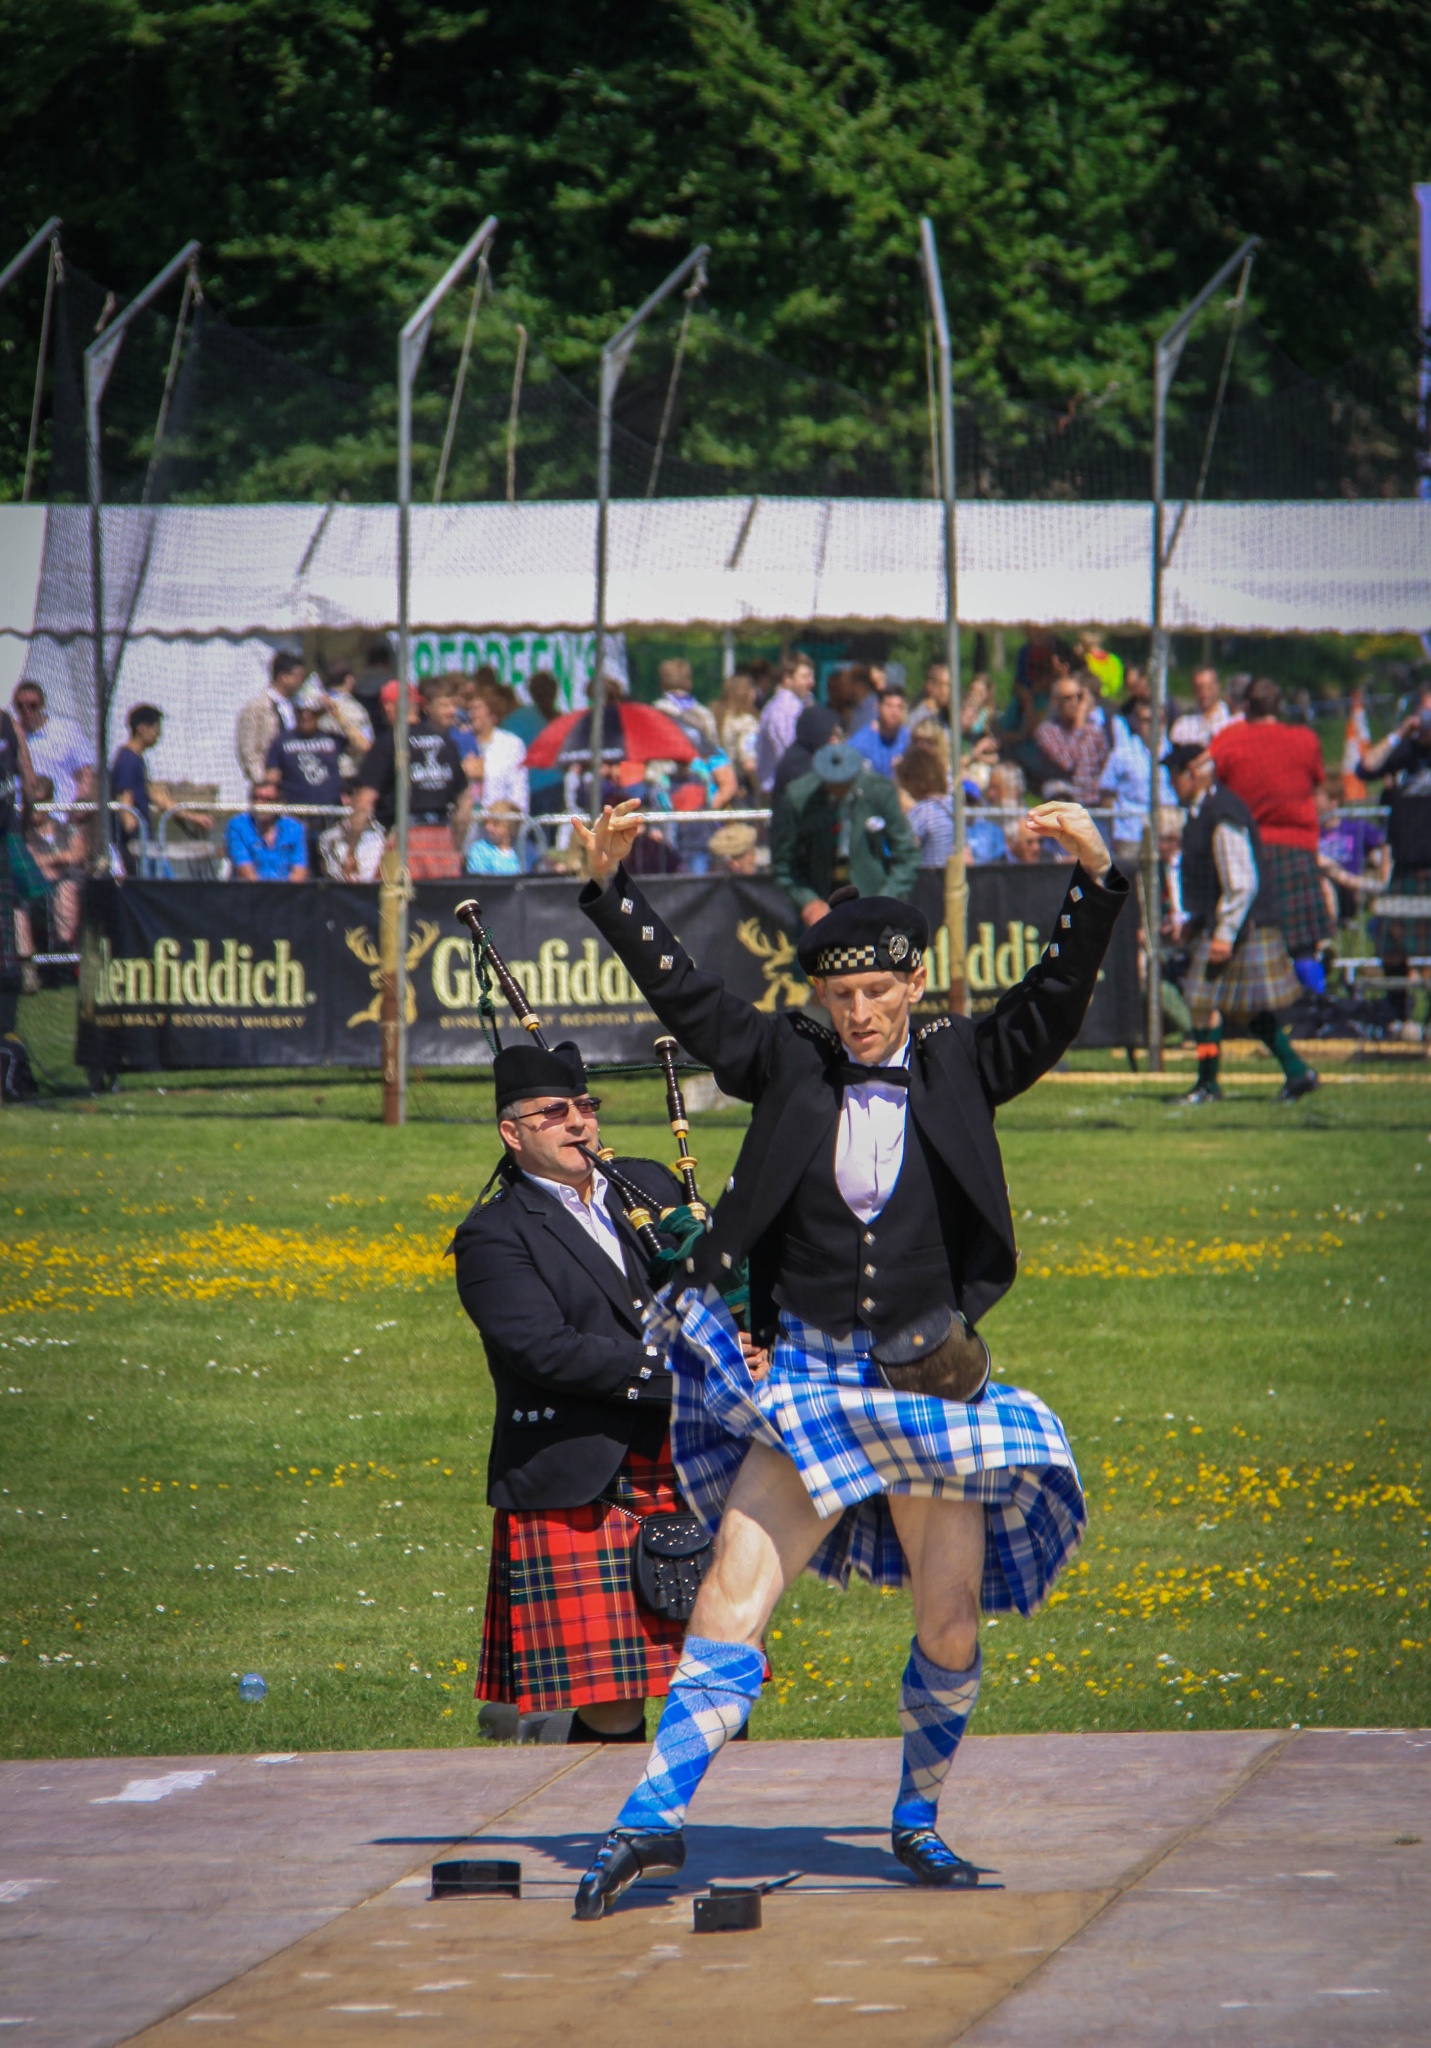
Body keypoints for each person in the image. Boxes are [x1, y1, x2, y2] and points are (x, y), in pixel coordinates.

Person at [564, 795, 1127, 1916]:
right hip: (811, 1377)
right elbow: (684, 991)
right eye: (840, 994)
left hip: (924, 1385)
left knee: (950, 1618)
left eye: (877, 992)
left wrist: (1098, 879)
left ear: (916, 982)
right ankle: (648, 1821)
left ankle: (916, 1823)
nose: (859, 1013)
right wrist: (615, 890)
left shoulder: (965, 1059)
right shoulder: (788, 1059)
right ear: (818, 994)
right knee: (731, 1589)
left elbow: (1056, 1000)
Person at [451, 1040, 692, 1744]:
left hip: (690, 1462)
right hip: (583, 1475)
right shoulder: (493, 1234)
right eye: (553, 1112)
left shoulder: (647, 1188)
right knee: (613, 1699)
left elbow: (713, 1281)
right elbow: (541, 1349)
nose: (577, 1123)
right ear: (512, 1131)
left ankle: (708, 1832)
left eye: (584, 1107)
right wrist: (679, 1378)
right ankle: (597, 1827)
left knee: (712, 1679)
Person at [1165, 743, 1319, 1105]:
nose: (1172, 783)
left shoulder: (1222, 813)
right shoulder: (1202, 811)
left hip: (1239, 925)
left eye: (1175, 775)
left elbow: (1241, 881)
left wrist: (1224, 934)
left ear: (1193, 773)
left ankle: (1210, 1084)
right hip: (1219, 923)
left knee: (1205, 1002)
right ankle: (1296, 1073)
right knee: (1223, 1006)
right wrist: (1195, 922)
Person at [1209, 677, 1331, 975]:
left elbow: (1213, 783)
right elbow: (1317, 787)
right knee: (1304, 946)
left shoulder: (1228, 740)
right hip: (1298, 852)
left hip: (1249, 853)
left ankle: (1263, 1015)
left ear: (1246, 707)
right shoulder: (1305, 740)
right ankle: (1315, 1010)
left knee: (1256, 943)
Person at [772, 740, 920, 925]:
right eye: (832, 784)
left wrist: (886, 899)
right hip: (823, 905)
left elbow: (907, 855)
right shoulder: (798, 798)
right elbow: (784, 864)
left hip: (872, 899)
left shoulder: (880, 792)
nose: (839, 788)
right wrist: (808, 900)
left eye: (845, 783)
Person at [350, 676, 472, 879]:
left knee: (393, 907)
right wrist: (456, 848)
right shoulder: (447, 744)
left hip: (405, 839)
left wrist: (351, 849)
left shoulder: (388, 743)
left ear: (389, 708)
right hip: (442, 840)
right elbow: (465, 804)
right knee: (442, 909)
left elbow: (364, 802)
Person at [1357, 680, 1431, 961]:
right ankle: (1395, 1004)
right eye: (1425, 713)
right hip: (1406, 865)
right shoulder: (1404, 752)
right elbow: (1365, 768)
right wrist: (1401, 733)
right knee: (1393, 942)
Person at [110, 704, 210, 876]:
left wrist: (191, 817)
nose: (159, 735)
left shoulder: (138, 760)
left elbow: (155, 795)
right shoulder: (127, 761)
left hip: (147, 842)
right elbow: (125, 802)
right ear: (142, 729)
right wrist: (133, 841)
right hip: (137, 845)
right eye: (156, 729)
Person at [266, 680, 344, 867]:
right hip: (297, 820)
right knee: (300, 869)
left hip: (331, 819)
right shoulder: (282, 741)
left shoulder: (332, 738)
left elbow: (363, 747)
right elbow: (271, 778)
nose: (306, 715)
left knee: (332, 870)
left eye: (311, 711)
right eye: (301, 711)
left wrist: (336, 713)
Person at [1098, 697, 1175, 872]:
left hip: (1166, 836)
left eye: (1158, 720)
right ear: (1137, 722)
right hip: (1131, 835)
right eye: (1146, 720)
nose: (1153, 726)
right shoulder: (1123, 753)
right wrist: (1115, 829)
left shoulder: (1173, 752)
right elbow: (1106, 792)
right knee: (1129, 885)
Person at [10, 682, 91, 818]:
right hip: (23, 817)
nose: (27, 711)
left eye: (33, 706)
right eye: (20, 706)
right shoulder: (11, 734)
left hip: (60, 815)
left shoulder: (66, 730)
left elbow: (86, 772)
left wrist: (79, 807)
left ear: (42, 704)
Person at [1035, 671, 1111, 806]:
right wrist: (1079, 724)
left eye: (1079, 697)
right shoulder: (1047, 731)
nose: (1075, 702)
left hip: (1093, 804)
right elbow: (1067, 761)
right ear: (1056, 701)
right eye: (1068, 698)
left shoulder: (1094, 730)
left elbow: (1105, 766)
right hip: (1065, 805)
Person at [459, 671, 530, 814]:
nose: (472, 714)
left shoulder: (511, 744)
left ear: (492, 714)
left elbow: (519, 789)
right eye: (469, 709)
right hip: (468, 825)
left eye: (477, 709)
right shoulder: (458, 740)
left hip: (500, 822)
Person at [236, 649, 305, 789]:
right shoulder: (257, 707)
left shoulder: (297, 706)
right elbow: (247, 748)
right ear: (283, 677)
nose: (300, 681)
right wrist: (261, 778)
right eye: (297, 676)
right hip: (270, 782)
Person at [505, 670, 565, 819]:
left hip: (547, 785)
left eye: (547, 692)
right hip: (541, 785)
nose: (545, 696)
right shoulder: (525, 716)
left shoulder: (557, 718)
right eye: (540, 692)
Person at [754, 651, 816, 793]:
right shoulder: (783, 709)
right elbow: (789, 753)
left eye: (812, 676)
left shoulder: (797, 704)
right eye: (805, 677)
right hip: (782, 790)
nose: (811, 682)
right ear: (787, 679)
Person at [225, 780, 309, 882]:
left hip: (288, 893)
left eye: (267, 799)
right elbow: (244, 869)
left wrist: (285, 894)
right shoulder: (237, 826)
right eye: (256, 798)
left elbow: (299, 870)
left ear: (279, 803)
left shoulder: (295, 828)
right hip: (250, 892)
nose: (260, 804)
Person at [770, 702, 840, 805]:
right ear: (819, 731)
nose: (835, 741)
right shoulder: (797, 764)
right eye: (831, 735)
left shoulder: (811, 755)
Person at [653, 658, 721, 756]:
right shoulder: (703, 713)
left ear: (661, 684)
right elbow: (713, 745)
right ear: (689, 684)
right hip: (698, 767)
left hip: (663, 767)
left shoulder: (655, 711)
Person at [849, 676, 911, 778]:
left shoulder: (909, 740)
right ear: (878, 707)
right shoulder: (861, 741)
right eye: (889, 706)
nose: (894, 712)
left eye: (899, 707)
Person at [713, 673, 761, 797]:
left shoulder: (716, 718)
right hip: (739, 788)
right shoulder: (746, 722)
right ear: (748, 694)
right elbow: (748, 763)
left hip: (716, 784)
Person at [1169, 666, 1235, 749]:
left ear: (1217, 687)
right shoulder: (1182, 724)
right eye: (1199, 688)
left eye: (1208, 687)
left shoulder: (1231, 722)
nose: (1204, 693)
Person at [465, 798, 524, 875]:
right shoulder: (480, 850)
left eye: (495, 824)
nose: (488, 827)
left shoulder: (527, 851)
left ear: (510, 828)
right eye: (486, 822)